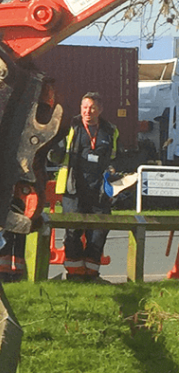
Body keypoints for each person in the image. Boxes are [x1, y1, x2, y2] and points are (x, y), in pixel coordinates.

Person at [53, 91, 118, 281]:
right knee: (73, 231)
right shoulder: (71, 127)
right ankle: (74, 274)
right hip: (73, 188)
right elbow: (56, 154)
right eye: (84, 107)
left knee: (98, 233)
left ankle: (92, 274)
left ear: (100, 110)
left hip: (99, 190)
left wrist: (114, 174)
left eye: (92, 108)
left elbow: (115, 158)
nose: (87, 112)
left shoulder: (110, 130)